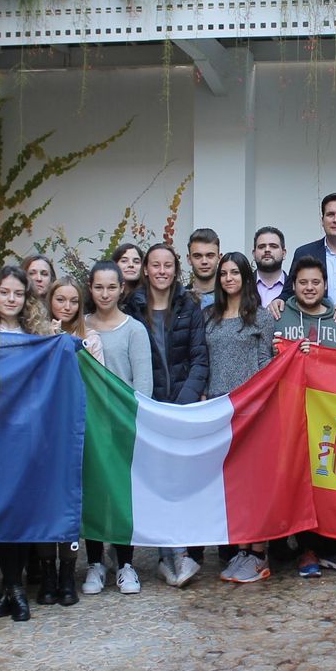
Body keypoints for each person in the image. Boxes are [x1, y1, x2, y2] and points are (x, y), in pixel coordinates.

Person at [0, 267, 57, 622]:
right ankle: (13, 586)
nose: (11, 299)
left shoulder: (36, 335)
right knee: (1, 509)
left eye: (18, 294)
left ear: (27, 299)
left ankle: (14, 587)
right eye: (4, 292)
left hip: (29, 432)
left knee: (23, 510)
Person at [274, 257, 336, 579]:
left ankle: (331, 548)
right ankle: (306, 549)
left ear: (325, 285)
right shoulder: (278, 316)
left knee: (333, 480)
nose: (309, 288)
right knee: (302, 482)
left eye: (315, 282)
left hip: (333, 416)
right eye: (302, 283)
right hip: (292, 414)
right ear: (293, 285)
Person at [80, 261, 154, 596]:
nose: (105, 293)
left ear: (122, 288)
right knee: (94, 493)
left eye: (112, 287)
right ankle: (95, 563)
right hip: (89, 425)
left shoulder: (134, 329)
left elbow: (143, 384)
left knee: (121, 495)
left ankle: (126, 564)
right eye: (99, 287)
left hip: (121, 423)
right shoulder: (79, 326)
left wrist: (133, 421)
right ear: (90, 288)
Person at [205, 253, 278, 584]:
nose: (228, 278)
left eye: (235, 272)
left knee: (253, 483)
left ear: (247, 278)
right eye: (224, 273)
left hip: (250, 408)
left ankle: (259, 553)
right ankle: (241, 550)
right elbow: (206, 360)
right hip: (218, 408)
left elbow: (266, 361)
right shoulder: (211, 317)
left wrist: (260, 400)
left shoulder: (260, 317)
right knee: (231, 483)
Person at [145, 242, 210, 587]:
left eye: (167, 265)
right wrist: (152, 403)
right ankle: (164, 554)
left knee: (187, 480)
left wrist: (182, 403)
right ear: (146, 269)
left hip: (183, 407)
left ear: (176, 269)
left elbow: (200, 357)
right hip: (149, 407)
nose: (161, 271)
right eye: (155, 265)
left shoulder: (190, 306)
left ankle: (188, 554)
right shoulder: (134, 306)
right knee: (158, 481)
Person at [40, 276, 100, 606]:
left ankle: (67, 574)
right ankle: (47, 573)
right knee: (47, 504)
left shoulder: (90, 339)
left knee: (71, 505)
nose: (66, 306)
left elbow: (99, 384)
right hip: (46, 434)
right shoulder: (39, 337)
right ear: (50, 301)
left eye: (73, 301)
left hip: (77, 430)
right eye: (60, 300)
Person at [252, 227, 288, 307]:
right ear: (254, 254)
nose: (267, 250)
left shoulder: (294, 288)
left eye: (273, 246)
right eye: (261, 247)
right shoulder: (243, 286)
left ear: (284, 253)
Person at [111, 242, 149, 318]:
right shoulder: (107, 296)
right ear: (114, 264)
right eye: (124, 261)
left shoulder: (150, 297)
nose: (131, 265)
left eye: (136, 262)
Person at [186, 228, 222, 308]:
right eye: (197, 256)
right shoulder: (179, 299)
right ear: (189, 259)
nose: (204, 261)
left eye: (210, 255)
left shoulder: (231, 298)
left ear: (219, 258)